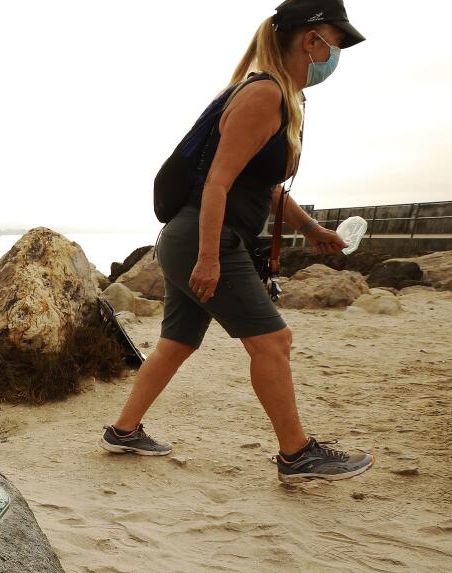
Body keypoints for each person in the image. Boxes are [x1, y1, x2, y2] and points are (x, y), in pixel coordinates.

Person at [101, 0, 374, 484]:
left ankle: (123, 431)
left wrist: (313, 231)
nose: (337, 53)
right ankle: (297, 454)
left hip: (190, 237)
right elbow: (217, 184)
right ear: (312, 40)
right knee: (274, 341)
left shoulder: (282, 97)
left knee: (175, 343)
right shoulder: (264, 94)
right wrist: (209, 258)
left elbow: (265, 188)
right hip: (207, 238)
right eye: (336, 41)